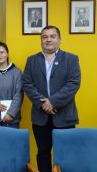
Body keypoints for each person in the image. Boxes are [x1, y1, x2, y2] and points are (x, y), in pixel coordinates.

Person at [22, 25, 81, 172]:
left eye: (52, 36)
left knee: (66, 155)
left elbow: (74, 84)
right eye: (44, 37)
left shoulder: (71, 59)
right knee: (43, 153)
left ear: (60, 39)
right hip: (40, 117)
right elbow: (27, 84)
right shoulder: (32, 60)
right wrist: (43, 104)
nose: (48, 40)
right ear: (41, 40)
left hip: (64, 116)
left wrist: (52, 101)